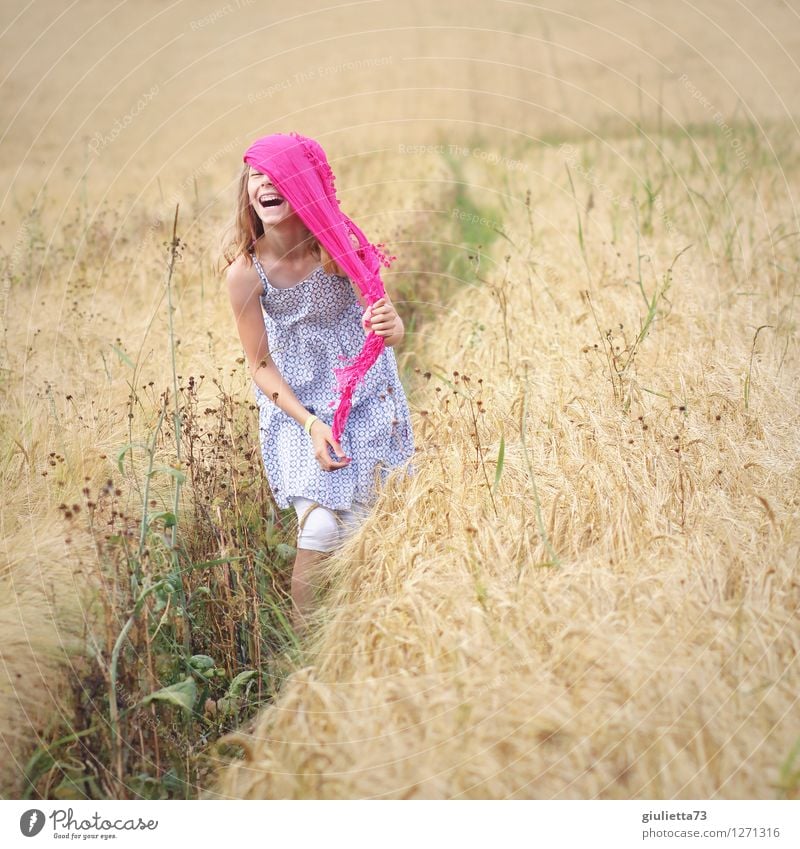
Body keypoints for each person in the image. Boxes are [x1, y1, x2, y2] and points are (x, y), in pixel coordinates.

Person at [219, 132, 415, 632]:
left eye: (276, 175)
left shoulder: (339, 248)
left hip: (366, 395)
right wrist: (309, 423)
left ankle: (374, 626)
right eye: (255, 177)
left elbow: (386, 325)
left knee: (370, 518)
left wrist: (394, 328)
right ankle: (307, 650)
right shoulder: (245, 273)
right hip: (298, 406)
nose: (263, 185)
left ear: (302, 184)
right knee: (323, 528)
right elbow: (259, 365)